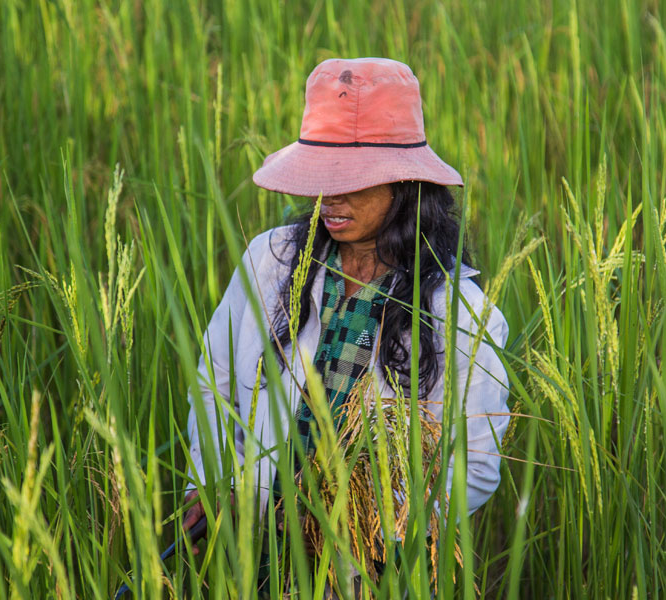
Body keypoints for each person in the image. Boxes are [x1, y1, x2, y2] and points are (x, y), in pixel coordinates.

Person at [181, 57, 511, 595]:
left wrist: (367, 528)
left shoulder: (458, 314)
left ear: (406, 185)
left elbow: (473, 465)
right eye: (321, 178)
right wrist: (216, 483)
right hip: (253, 555)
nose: (330, 197)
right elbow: (213, 386)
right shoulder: (271, 261)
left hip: (372, 573)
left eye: (351, 182)